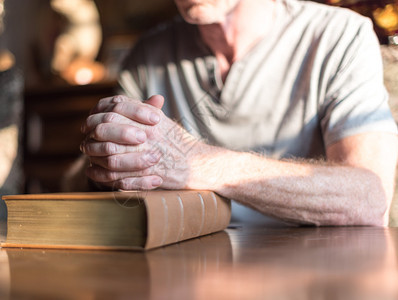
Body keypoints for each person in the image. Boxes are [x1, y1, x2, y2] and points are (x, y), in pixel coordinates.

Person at [79, 0, 398, 226]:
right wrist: (108, 164)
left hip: (309, 269)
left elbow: (369, 200)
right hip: (187, 266)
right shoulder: (146, 56)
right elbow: (108, 186)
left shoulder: (339, 35)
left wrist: (196, 162)